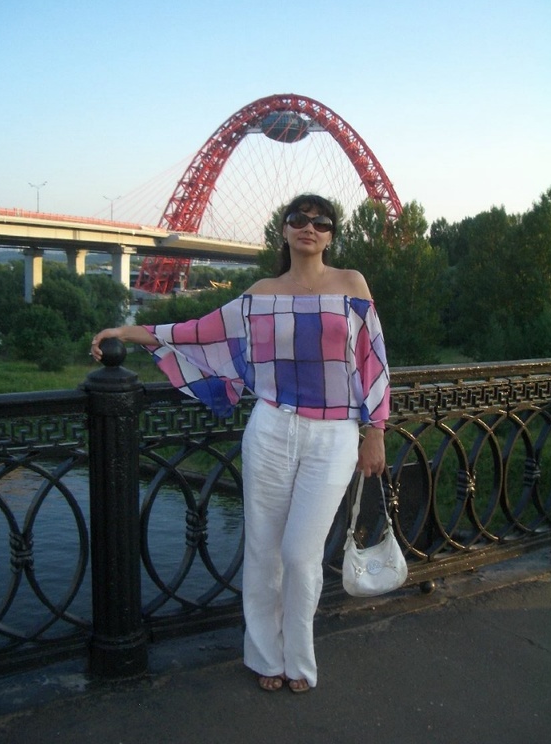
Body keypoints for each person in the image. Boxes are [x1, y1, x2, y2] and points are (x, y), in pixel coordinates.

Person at [90, 194, 390, 694]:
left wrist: (375, 428)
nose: (309, 227)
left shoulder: (351, 284)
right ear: (284, 231)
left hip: (334, 434)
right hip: (271, 428)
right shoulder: (260, 294)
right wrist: (126, 331)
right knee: (264, 550)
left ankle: (300, 658)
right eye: (298, 219)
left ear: (331, 235)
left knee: (300, 553)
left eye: (321, 222)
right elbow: (196, 332)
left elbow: (372, 358)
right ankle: (266, 656)